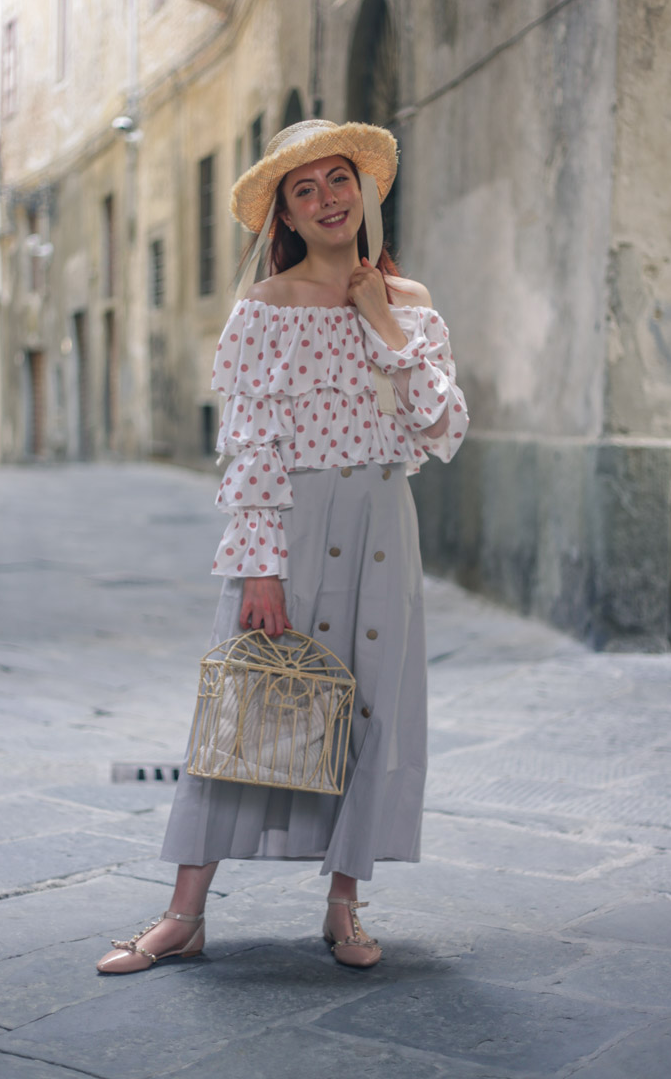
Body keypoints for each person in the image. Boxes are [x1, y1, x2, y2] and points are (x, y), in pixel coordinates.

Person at [96, 119, 468, 974]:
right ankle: (184, 914)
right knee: (243, 709)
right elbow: (252, 443)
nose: (328, 198)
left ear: (364, 192)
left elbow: (443, 427)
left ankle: (345, 909)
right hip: (289, 528)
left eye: (340, 180)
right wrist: (260, 565)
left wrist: (382, 321)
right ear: (287, 219)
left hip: (382, 524)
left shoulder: (411, 307)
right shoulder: (263, 312)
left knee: (370, 711)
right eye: (306, 190)